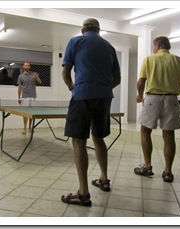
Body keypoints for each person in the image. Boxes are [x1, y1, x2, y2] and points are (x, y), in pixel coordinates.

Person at [61, 18, 121, 207]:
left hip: (82, 95)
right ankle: (104, 179)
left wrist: (73, 87)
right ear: (99, 30)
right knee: (99, 137)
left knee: (79, 141)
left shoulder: (75, 41)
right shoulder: (109, 47)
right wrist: (102, 88)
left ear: (83, 29)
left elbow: (65, 72)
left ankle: (83, 193)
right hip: (104, 97)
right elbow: (117, 78)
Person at [134, 36, 180, 183]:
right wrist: (176, 78)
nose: (153, 49)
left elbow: (141, 80)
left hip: (152, 99)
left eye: (153, 46)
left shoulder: (149, 59)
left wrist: (139, 95)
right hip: (171, 99)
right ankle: (168, 172)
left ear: (158, 46)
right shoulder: (177, 60)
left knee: (145, 131)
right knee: (168, 135)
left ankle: (147, 166)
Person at [17, 61, 42, 134]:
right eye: (26, 65)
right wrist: (19, 97)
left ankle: (30, 128)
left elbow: (40, 82)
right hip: (25, 97)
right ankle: (24, 128)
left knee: (32, 113)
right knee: (25, 113)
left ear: (29, 67)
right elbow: (19, 87)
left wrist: (37, 77)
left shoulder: (34, 74)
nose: (27, 66)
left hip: (33, 96)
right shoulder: (20, 76)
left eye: (28, 65)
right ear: (23, 67)